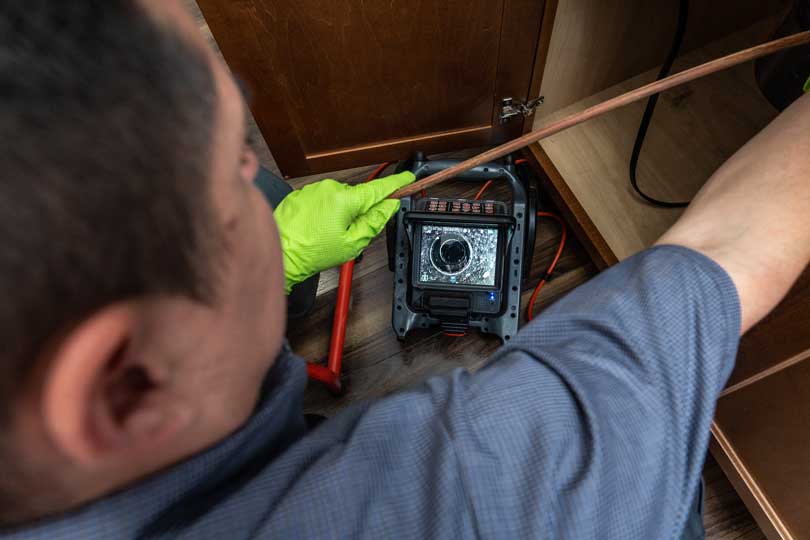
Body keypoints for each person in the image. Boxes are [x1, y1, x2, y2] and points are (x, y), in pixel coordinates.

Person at [0, 1, 808, 539]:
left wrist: (275, 249)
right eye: (234, 168)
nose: (263, 174)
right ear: (128, 383)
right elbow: (722, 253)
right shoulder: (471, 496)